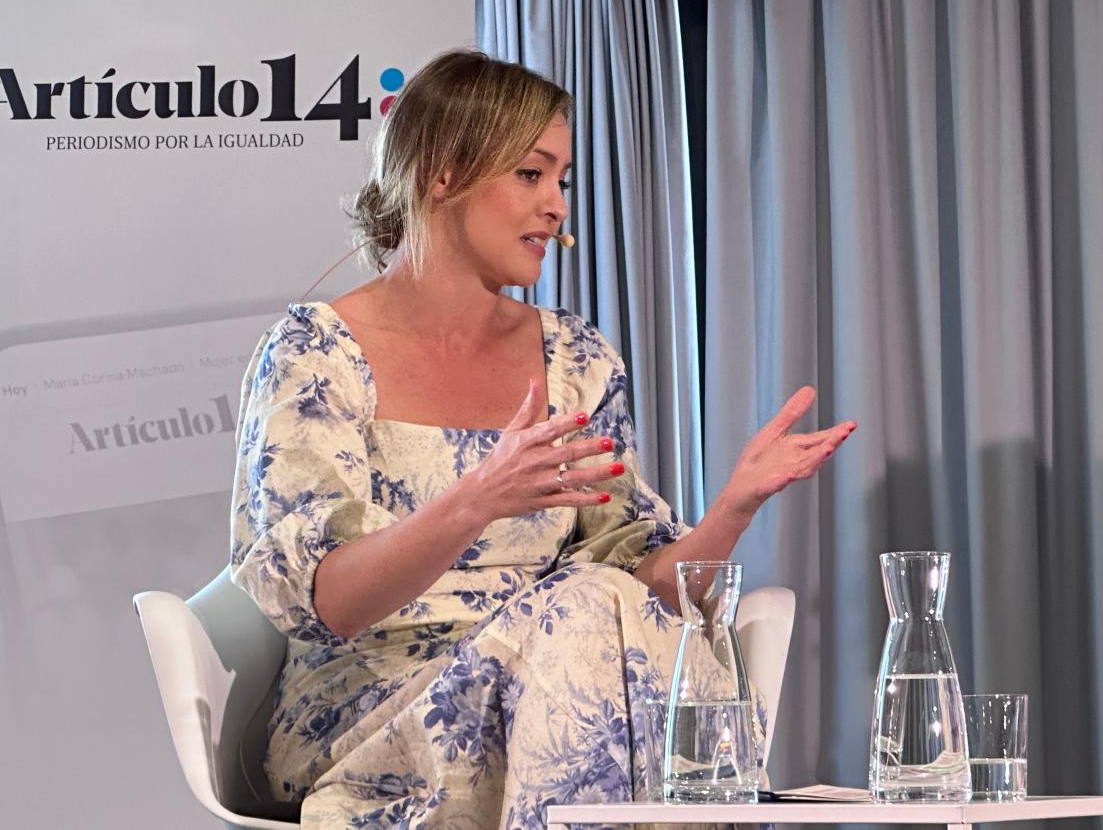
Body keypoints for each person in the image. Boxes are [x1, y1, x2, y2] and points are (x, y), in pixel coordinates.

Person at [229, 49, 855, 829]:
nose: (557, 206)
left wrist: (735, 506)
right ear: (442, 174)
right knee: (589, 610)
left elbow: (646, 595)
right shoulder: (315, 353)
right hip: (376, 718)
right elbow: (329, 602)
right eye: (532, 175)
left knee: (602, 610)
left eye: (563, 180)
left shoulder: (578, 360)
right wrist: (474, 501)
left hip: (569, 689)